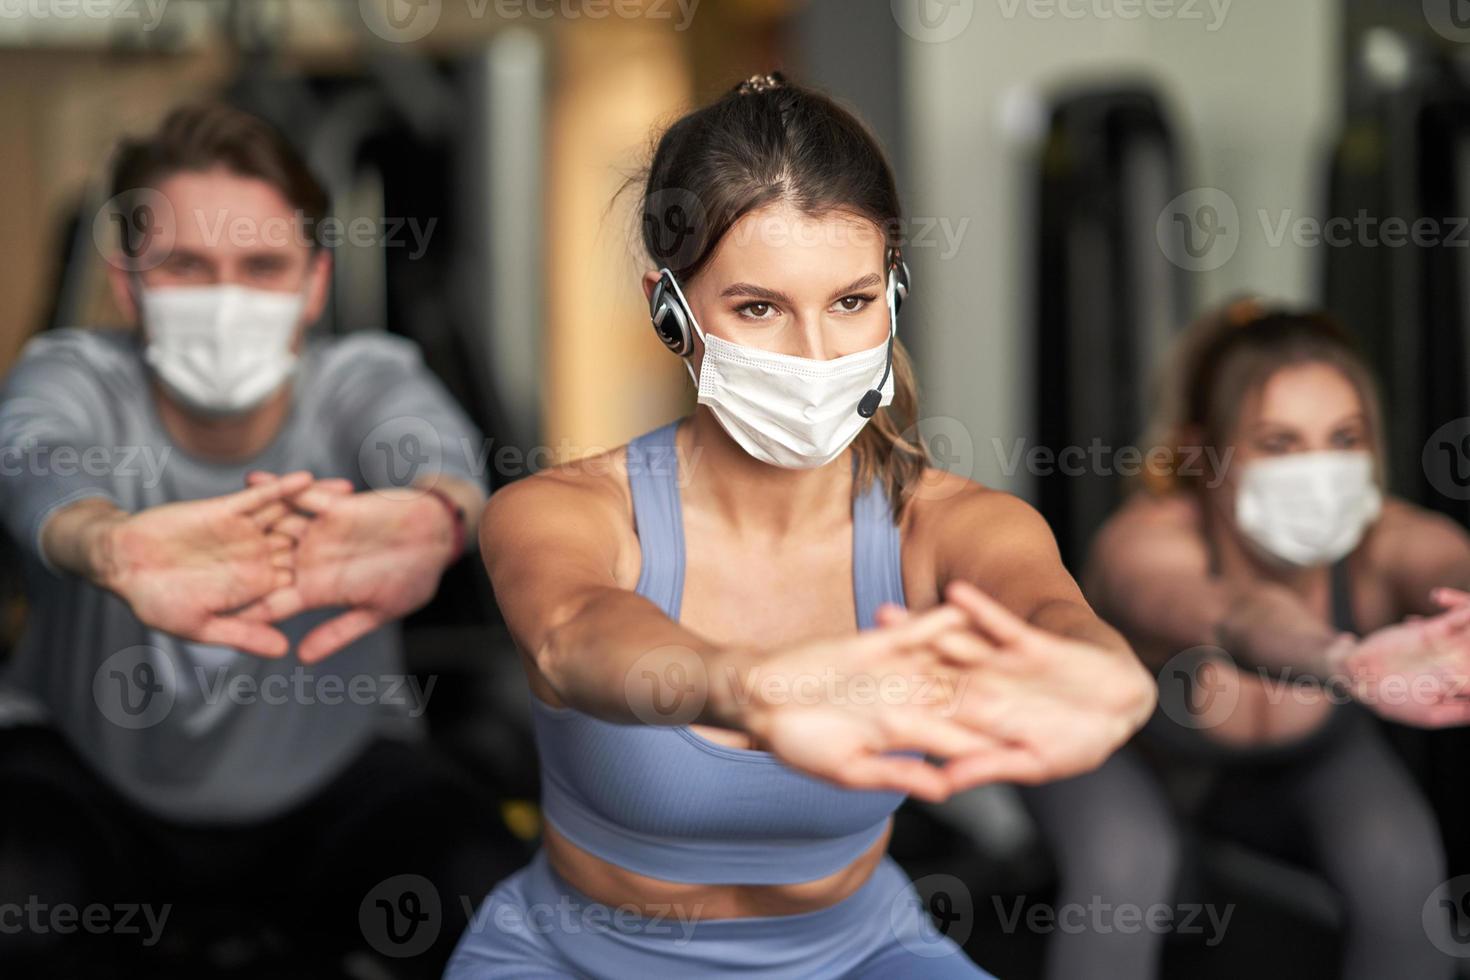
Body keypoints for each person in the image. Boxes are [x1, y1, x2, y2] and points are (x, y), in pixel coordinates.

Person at [445, 72, 1157, 980]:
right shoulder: (566, 510)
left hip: (857, 956)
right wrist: (763, 691)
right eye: (759, 307)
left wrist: (1105, 682)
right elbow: (570, 637)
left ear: (893, 295)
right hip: (573, 958)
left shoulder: (951, 527)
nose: (818, 357)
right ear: (669, 310)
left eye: (852, 302)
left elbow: (1068, 633)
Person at [0, 103, 525, 977]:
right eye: (187, 266)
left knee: (488, 905)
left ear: (314, 284)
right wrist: (107, 543)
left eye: (260, 265)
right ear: (127, 283)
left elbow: (430, 445)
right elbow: (30, 456)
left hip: (333, 784)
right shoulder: (74, 374)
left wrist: (435, 516)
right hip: (87, 780)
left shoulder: (359, 377)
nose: (226, 298)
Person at [1020, 299, 1470, 980]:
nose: (1320, 470)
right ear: (1206, 456)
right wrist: (1340, 659)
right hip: (1120, 753)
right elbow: (1235, 616)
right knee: (1126, 870)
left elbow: (1445, 562)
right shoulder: (1143, 544)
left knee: (1403, 869)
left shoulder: (1385, 538)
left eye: (1344, 438)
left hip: (1308, 755)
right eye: (1280, 442)